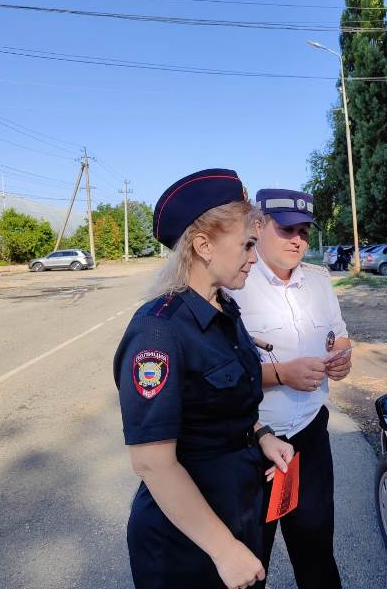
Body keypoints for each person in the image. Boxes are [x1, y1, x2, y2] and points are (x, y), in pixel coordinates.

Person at [113, 169, 295, 589]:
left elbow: (225, 402)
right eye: (248, 244)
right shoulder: (157, 332)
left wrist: (261, 435)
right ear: (203, 245)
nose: (255, 255)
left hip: (237, 514)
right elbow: (152, 463)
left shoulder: (225, 310)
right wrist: (223, 549)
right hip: (186, 544)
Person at [227, 188, 352, 589]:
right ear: (259, 227)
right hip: (253, 441)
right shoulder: (234, 285)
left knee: (316, 551)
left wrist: (343, 357)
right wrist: (283, 374)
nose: (298, 239)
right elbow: (222, 371)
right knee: (250, 560)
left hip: (310, 436)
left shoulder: (317, 281)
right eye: (286, 229)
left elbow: (340, 336)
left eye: (303, 230)